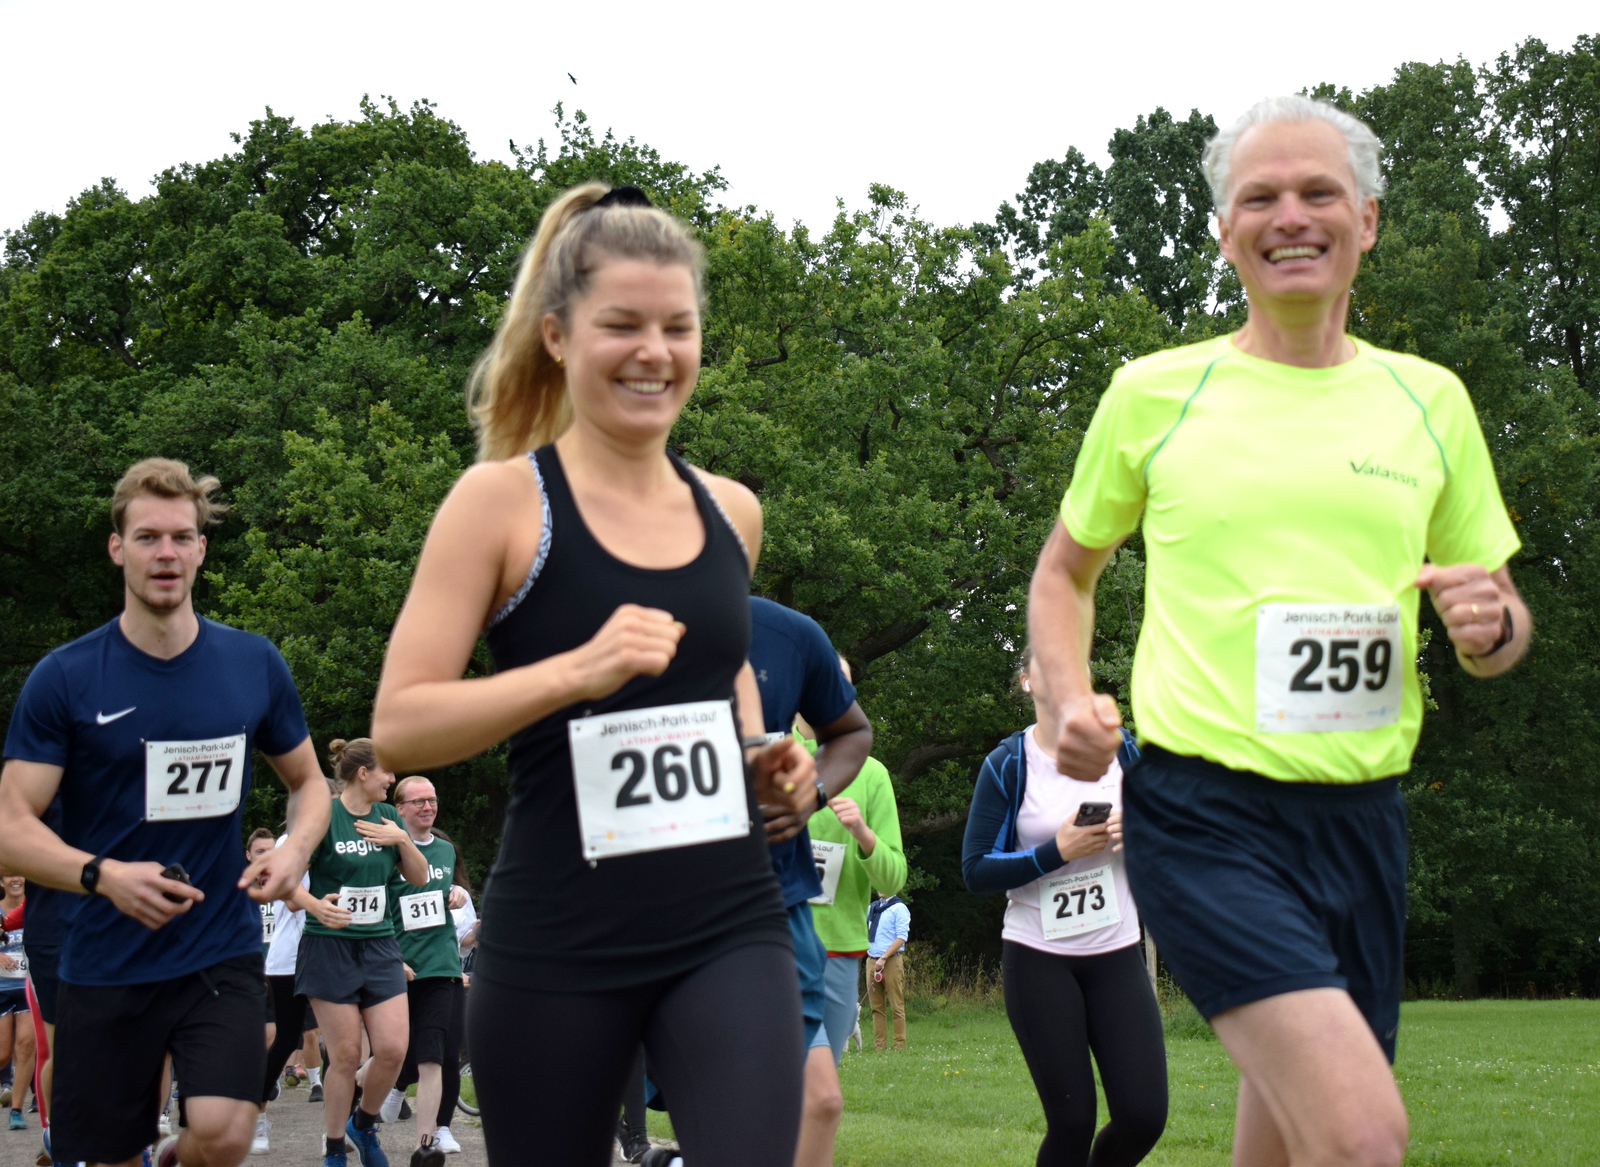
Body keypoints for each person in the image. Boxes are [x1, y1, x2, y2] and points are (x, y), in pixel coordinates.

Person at [1027, 95, 1531, 1167]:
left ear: (1369, 221)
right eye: (1259, 197)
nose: (1289, 215)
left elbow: (1494, 619)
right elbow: (1065, 573)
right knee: (1359, 1136)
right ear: (1223, 232)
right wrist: (1065, 698)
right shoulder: (1155, 391)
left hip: (1362, 819)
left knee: (1293, 1143)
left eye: (1318, 193)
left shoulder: (1428, 400)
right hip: (1205, 813)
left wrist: (1490, 628)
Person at [369, 183, 818, 1167]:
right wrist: (576, 670)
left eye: (677, 326)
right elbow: (400, 724)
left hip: (725, 921)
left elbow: (722, 669)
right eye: (622, 324)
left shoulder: (729, 511)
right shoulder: (498, 505)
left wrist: (757, 753)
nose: (653, 350)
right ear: (560, 336)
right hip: (559, 936)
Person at [0, 457, 332, 1167]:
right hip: (106, 958)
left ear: (202, 548)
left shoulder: (252, 663)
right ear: (117, 547)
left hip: (218, 947)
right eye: (148, 537)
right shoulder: (65, 676)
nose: (167, 553)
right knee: (109, 1154)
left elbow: (309, 784)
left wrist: (296, 849)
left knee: (225, 1131)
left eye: (182, 536)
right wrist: (101, 874)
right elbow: (10, 827)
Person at [961, 647, 1167, 1166]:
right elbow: (974, 869)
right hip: (1038, 958)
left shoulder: (1124, 751)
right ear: (1027, 682)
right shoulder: (1008, 764)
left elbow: (1174, 832)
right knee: (1072, 1123)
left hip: (1117, 951)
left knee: (1144, 1116)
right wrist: (1056, 851)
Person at [748, 599, 873, 1167]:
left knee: (820, 1099)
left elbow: (895, 874)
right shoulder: (610, 617)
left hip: (796, 923)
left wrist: (824, 803)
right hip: (640, 908)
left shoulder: (787, 635)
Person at [288, 738, 427, 1167]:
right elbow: (285, 887)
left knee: (392, 1050)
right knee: (346, 1054)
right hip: (329, 947)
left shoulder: (388, 817)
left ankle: (363, 1126)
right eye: (386, 772)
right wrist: (316, 904)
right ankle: (334, 1149)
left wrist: (402, 839)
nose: (392, 779)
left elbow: (420, 879)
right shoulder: (324, 816)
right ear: (362, 773)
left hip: (380, 945)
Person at [804, 659, 907, 1071]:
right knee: (808, 1087)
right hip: (774, 939)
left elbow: (894, 876)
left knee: (821, 1085)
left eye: (843, 685)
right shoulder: (769, 750)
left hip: (840, 947)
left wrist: (864, 834)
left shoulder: (872, 774)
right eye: (823, 680)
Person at [379, 776, 469, 1161]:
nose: (427, 807)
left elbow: (451, 892)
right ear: (399, 809)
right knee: (390, 1054)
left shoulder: (446, 851)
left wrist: (461, 894)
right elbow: (375, 908)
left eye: (431, 800)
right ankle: (360, 1110)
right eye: (418, 802)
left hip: (441, 965)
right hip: (398, 966)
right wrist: (389, 957)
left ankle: (425, 1145)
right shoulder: (385, 851)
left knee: (434, 1055)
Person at [0, 872, 34, 1131]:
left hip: (27, 985)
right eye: (9, 875)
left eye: (19, 874)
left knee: (25, 1045)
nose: (15, 879)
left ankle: (16, 1110)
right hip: (1, 987)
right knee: (3, 1052)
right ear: (1, 881)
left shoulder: (34, 907)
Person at [864, 890, 909, 1051]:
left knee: (896, 1005)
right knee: (876, 1007)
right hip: (871, 961)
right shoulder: (872, 908)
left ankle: (898, 1045)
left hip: (891, 962)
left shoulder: (899, 908)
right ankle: (879, 1046)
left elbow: (901, 937)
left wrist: (884, 957)